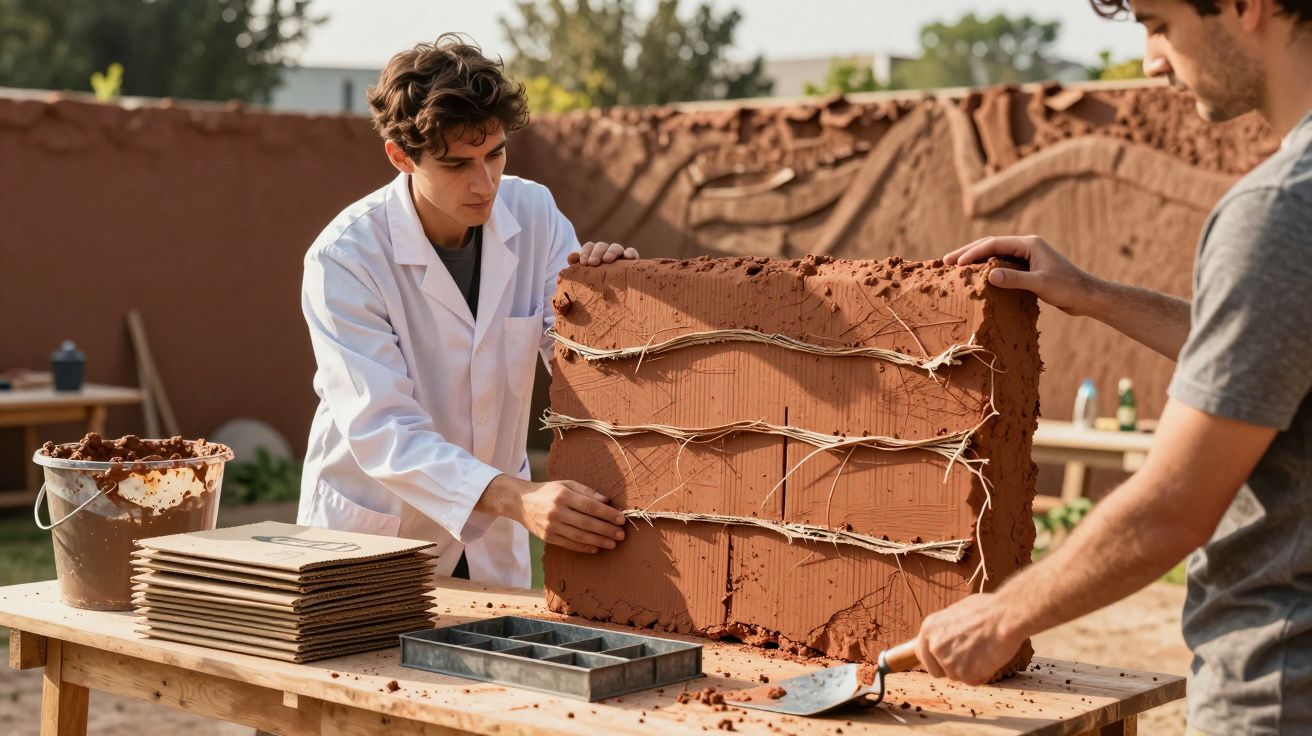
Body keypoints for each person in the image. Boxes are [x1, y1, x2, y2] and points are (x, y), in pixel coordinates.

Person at [914, 1, 1312, 733]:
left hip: (1283, 691)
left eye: (1159, 24)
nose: (1152, 61)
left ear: (1245, 7)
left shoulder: (1279, 209)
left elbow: (1174, 506)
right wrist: (1094, 296)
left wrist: (1000, 614)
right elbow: (1279, 355)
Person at [297, 34, 637, 589]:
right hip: (377, 534)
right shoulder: (346, 258)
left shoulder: (535, 213)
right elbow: (383, 429)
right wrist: (517, 497)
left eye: (495, 153)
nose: (485, 183)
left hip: (489, 545)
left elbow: (577, 359)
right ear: (401, 156)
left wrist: (619, 299)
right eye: (457, 164)